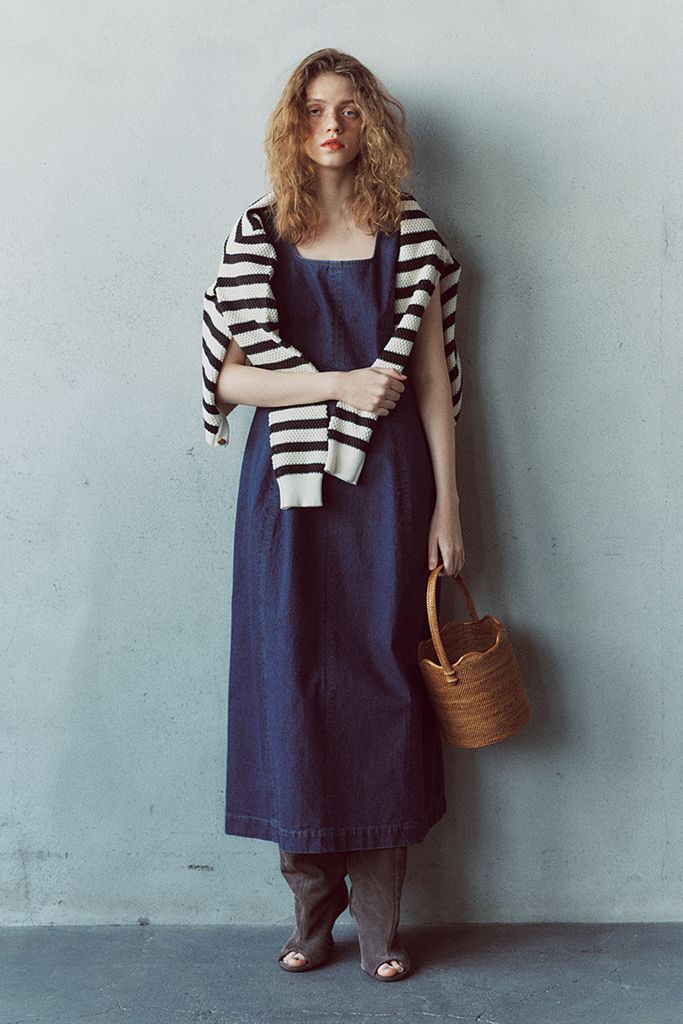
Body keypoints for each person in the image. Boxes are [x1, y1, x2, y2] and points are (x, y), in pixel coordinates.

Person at [204, 47, 465, 981]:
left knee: (384, 684)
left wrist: (448, 504)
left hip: (388, 488)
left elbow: (431, 380)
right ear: (294, 122)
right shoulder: (260, 231)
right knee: (292, 681)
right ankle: (312, 913)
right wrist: (335, 384)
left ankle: (382, 923)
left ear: (371, 125)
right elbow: (229, 379)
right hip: (285, 494)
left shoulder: (410, 233)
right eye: (315, 109)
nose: (332, 125)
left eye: (350, 110)